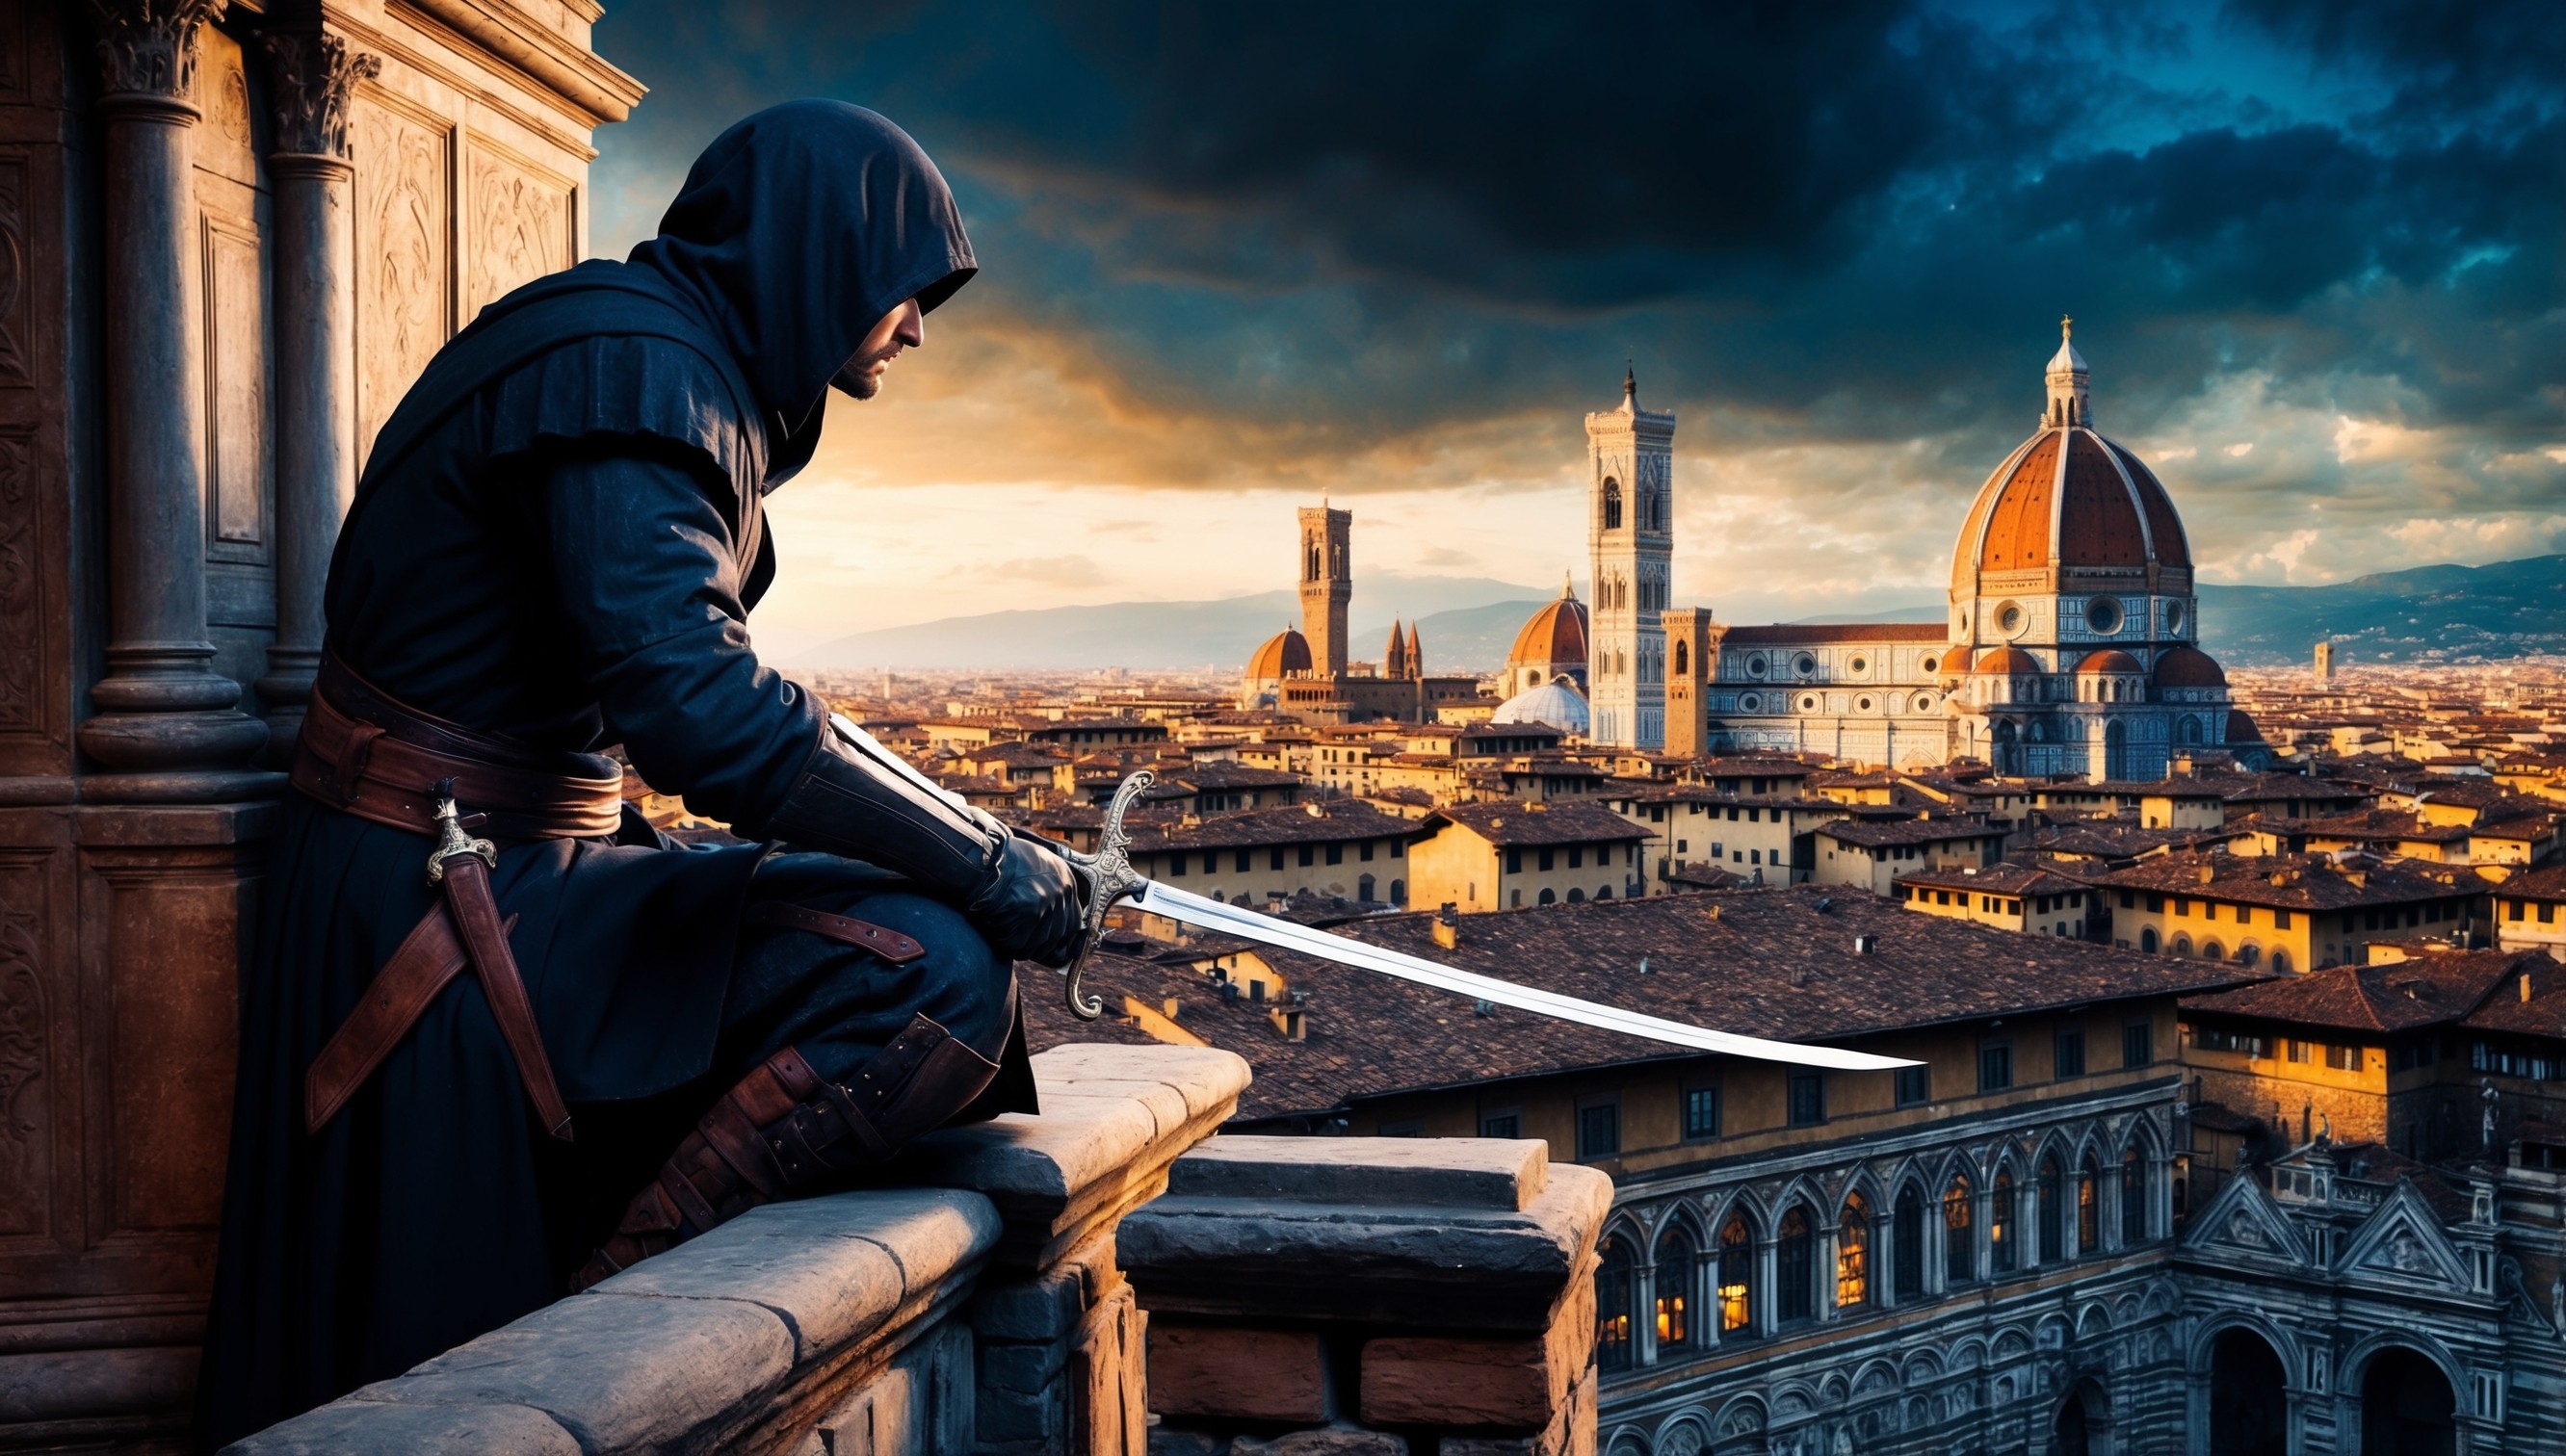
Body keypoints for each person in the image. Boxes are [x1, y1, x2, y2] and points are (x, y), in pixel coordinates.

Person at [198, 101, 1083, 1443]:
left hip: (508, 863)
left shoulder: (656, 359)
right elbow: (701, 709)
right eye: (907, 280)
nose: (916, 323)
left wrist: (981, 853)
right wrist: (988, 861)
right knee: (927, 969)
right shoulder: (630, 370)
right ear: (819, 247)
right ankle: (606, 1310)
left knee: (923, 957)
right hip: (437, 888)